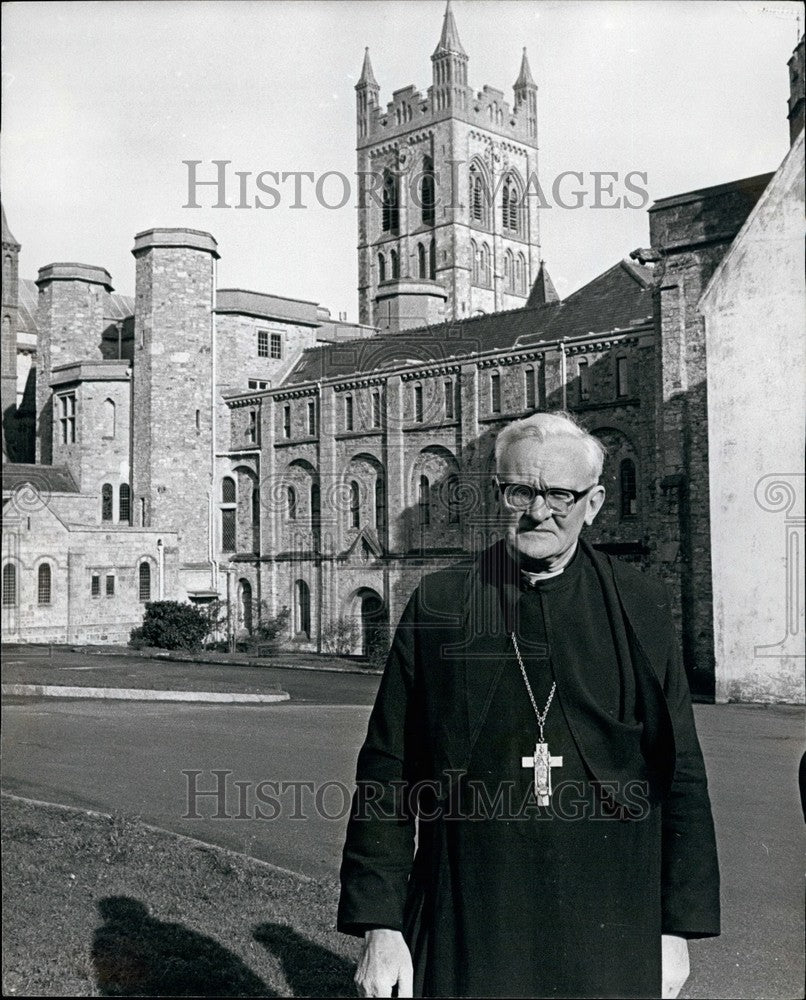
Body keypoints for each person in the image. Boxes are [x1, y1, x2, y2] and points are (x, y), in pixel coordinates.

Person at [338, 410, 720, 999]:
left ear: (593, 504)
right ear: (497, 494)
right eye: (520, 490)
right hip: (469, 914)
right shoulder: (442, 603)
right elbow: (389, 769)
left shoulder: (639, 605)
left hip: (611, 925)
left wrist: (676, 928)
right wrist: (381, 923)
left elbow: (680, 772)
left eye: (560, 495)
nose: (539, 510)